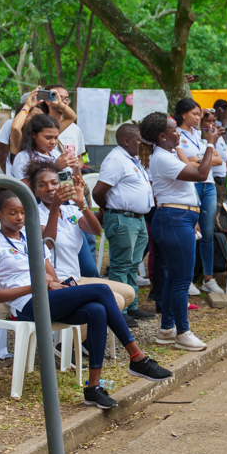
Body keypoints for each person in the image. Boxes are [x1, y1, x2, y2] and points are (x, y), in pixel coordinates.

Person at [0, 186, 171, 408]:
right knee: (102, 290)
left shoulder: (32, 240)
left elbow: (50, 275)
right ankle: (137, 357)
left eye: (23, 211)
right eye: (13, 212)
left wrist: (55, 284)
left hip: (49, 298)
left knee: (97, 310)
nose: (20, 217)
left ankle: (93, 388)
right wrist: (36, 287)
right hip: (27, 305)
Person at [26, 161, 137, 323]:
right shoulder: (35, 214)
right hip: (59, 282)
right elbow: (47, 244)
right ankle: (72, 341)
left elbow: (96, 231)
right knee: (116, 300)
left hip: (76, 278)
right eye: (42, 185)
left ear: (62, 185)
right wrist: (55, 208)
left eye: (54, 183)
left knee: (128, 293)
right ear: (35, 192)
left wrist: (81, 203)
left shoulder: (70, 210)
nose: (50, 188)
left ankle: (84, 333)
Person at [139, 111, 213, 351]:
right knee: (182, 281)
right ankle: (183, 332)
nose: (178, 131)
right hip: (174, 219)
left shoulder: (166, 154)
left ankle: (167, 329)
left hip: (179, 218)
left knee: (175, 278)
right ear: (162, 136)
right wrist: (210, 145)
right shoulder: (163, 158)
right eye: (173, 129)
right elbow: (202, 174)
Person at [93, 123, 155, 322]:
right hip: (122, 217)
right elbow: (98, 192)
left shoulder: (133, 159)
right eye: (140, 140)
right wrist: (109, 210)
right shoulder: (116, 159)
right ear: (126, 140)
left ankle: (132, 305)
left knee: (132, 265)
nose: (143, 144)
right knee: (120, 266)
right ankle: (119, 310)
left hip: (137, 219)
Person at [174, 98, 223, 294]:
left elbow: (218, 159)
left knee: (208, 234)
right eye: (195, 114)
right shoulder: (176, 135)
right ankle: (188, 278)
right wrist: (204, 159)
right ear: (183, 114)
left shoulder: (202, 136)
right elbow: (183, 164)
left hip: (208, 185)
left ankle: (208, 279)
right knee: (191, 233)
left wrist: (198, 159)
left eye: (199, 114)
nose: (198, 118)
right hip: (190, 185)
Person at [8, 112, 81, 183]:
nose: (53, 142)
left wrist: (75, 168)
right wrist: (55, 167)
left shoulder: (56, 154)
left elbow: (69, 183)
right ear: (34, 134)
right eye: (48, 138)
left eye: (56, 138)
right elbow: (26, 191)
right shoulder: (23, 157)